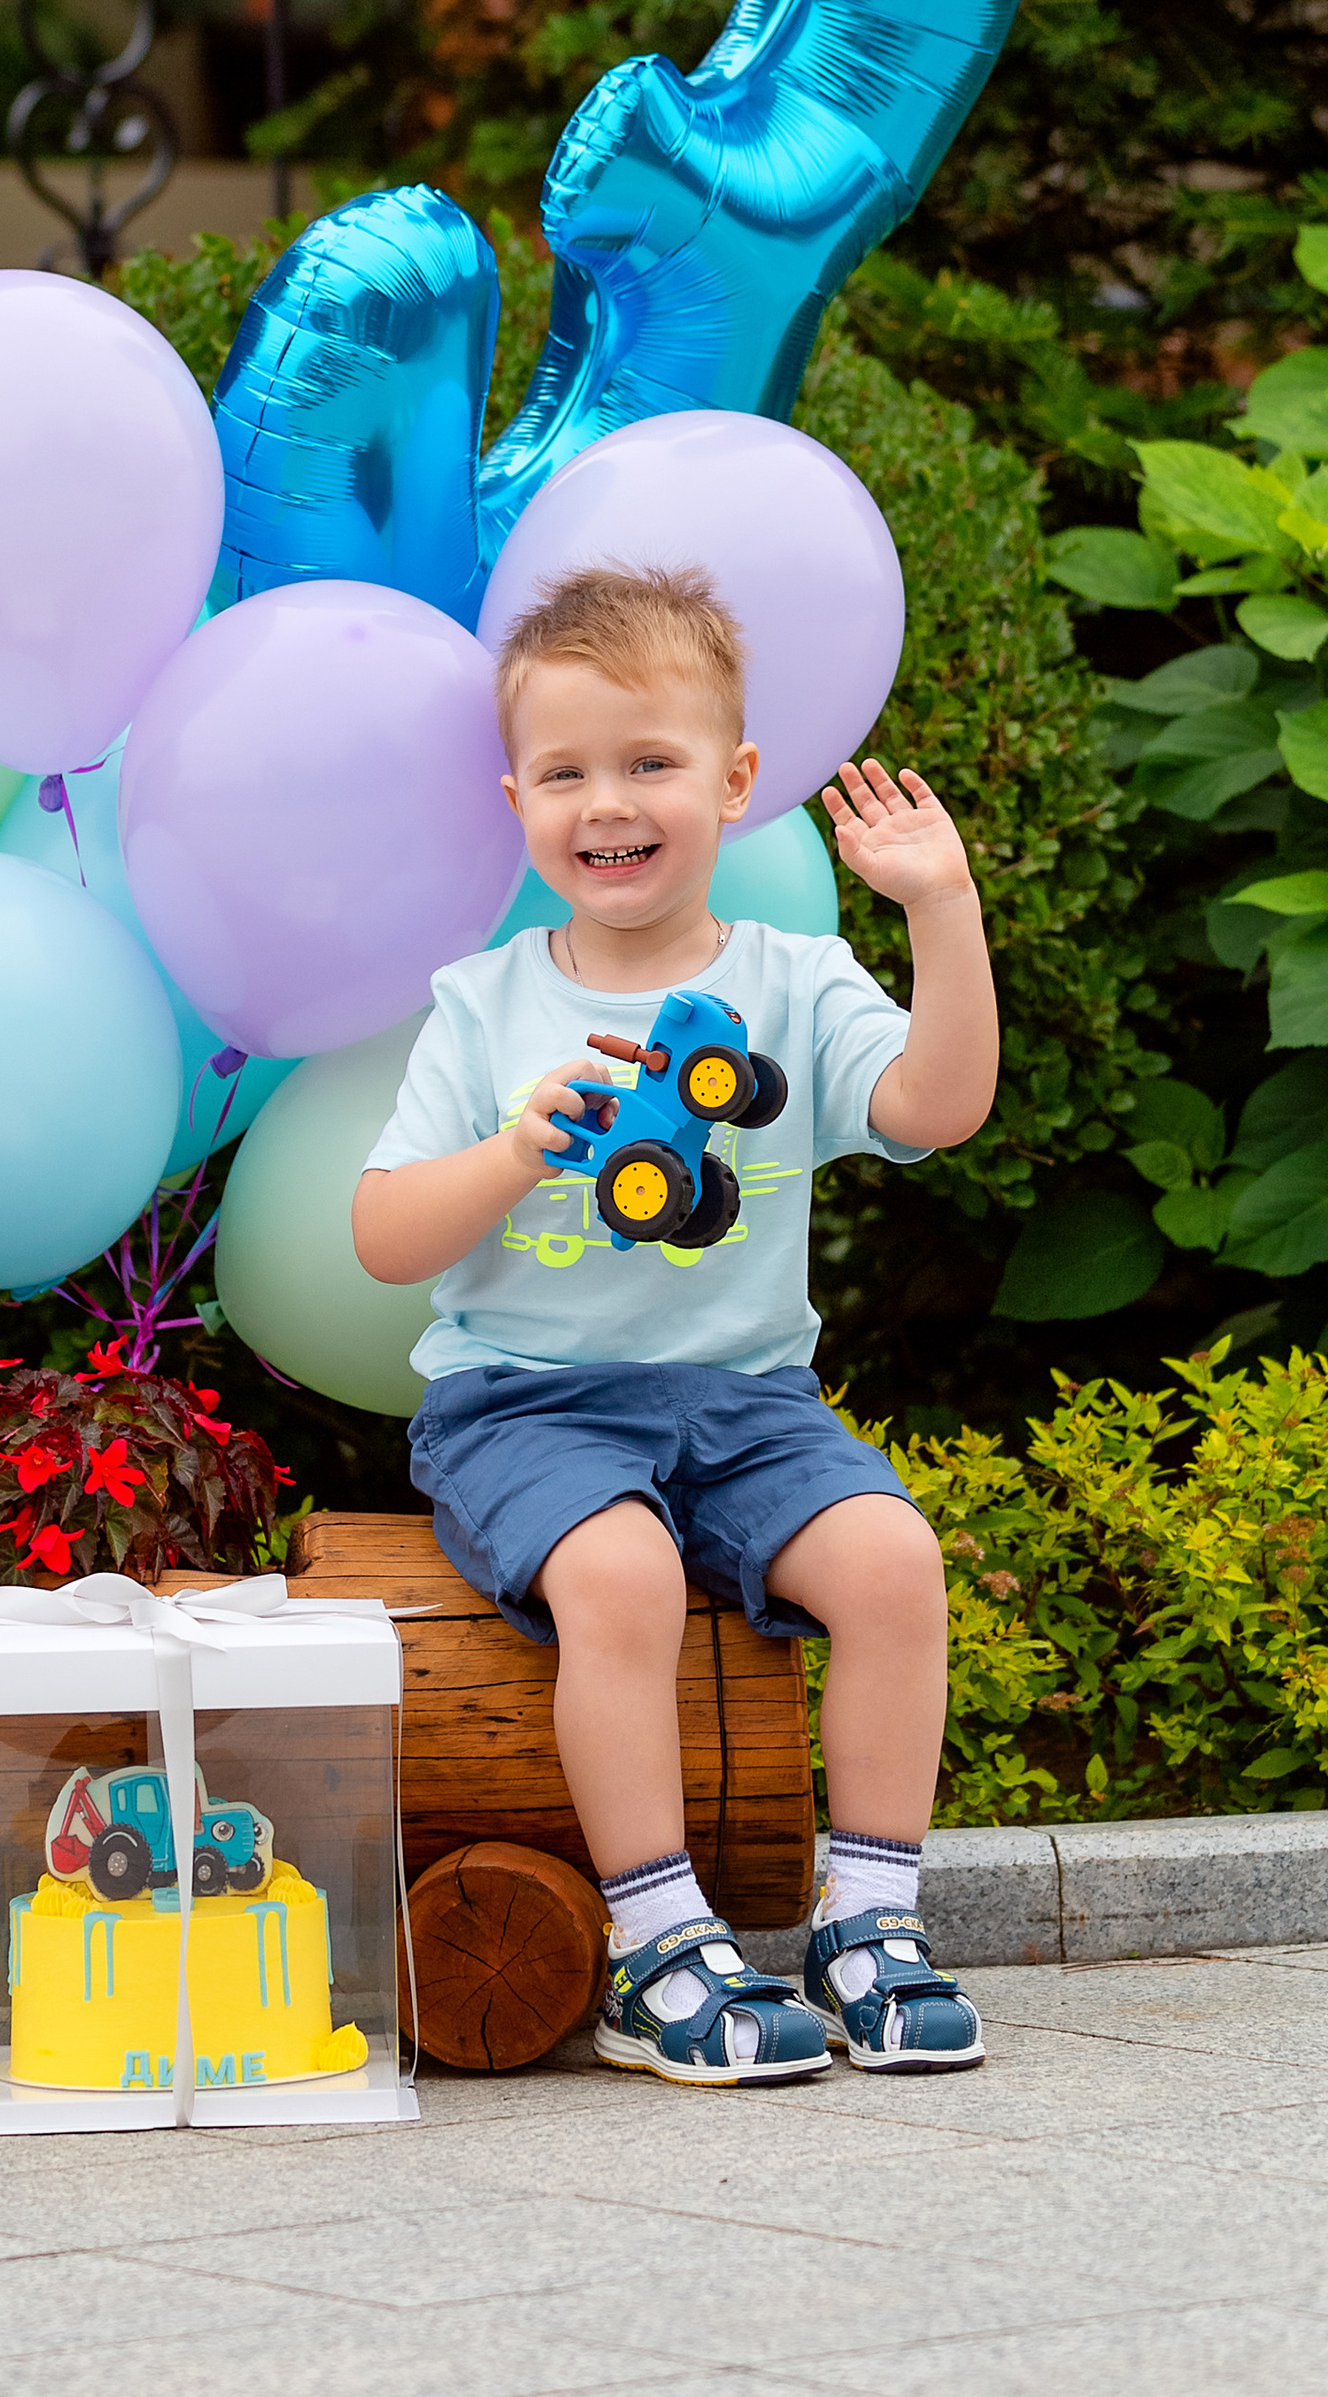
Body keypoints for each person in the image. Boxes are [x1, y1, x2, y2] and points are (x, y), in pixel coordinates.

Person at [351, 561, 999, 2087]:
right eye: (565, 773)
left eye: (650, 762)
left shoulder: (795, 981)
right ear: (517, 801)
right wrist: (516, 1150)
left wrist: (943, 908)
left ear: (735, 782)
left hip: (750, 1402)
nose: (609, 804)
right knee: (624, 1578)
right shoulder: (483, 1002)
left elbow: (939, 1107)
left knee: (894, 1563)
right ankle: (657, 1946)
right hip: (529, 1401)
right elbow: (383, 1238)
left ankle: (869, 1922)